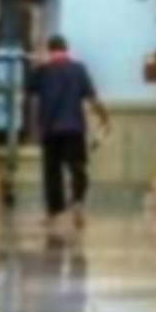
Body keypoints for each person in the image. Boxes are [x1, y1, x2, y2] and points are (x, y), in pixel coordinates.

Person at [27, 35, 110, 230]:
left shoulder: (43, 71)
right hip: (73, 128)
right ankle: (78, 204)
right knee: (77, 168)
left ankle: (53, 212)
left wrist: (37, 64)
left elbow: (29, 89)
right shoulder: (79, 69)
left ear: (50, 49)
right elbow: (91, 98)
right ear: (67, 48)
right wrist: (104, 117)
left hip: (50, 129)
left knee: (51, 172)